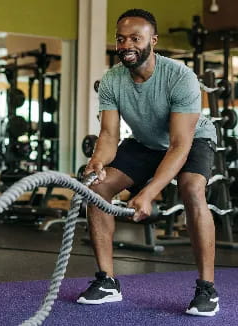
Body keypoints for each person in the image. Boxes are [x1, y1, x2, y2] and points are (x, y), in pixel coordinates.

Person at [76, 9, 219, 317]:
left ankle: (207, 288)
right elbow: (109, 135)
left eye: (135, 38)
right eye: (121, 38)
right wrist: (98, 161)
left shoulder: (180, 77)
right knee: (97, 189)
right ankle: (107, 281)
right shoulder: (113, 80)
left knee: (192, 189)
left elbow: (180, 146)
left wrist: (150, 191)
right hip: (146, 142)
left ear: (152, 41)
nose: (127, 45)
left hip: (191, 140)